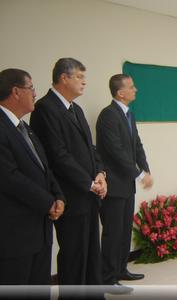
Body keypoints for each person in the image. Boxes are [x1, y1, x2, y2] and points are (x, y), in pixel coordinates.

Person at [30, 58, 107, 296]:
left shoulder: (76, 109)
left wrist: (101, 173)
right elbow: (57, 155)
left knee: (92, 254)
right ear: (64, 78)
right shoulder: (45, 109)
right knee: (74, 257)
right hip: (71, 197)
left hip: (90, 195)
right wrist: (88, 183)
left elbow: (90, 148)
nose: (84, 82)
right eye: (80, 77)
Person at [0, 69, 65, 290]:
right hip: (15, 234)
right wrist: (48, 202)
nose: (35, 93)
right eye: (31, 88)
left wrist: (58, 196)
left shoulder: (24, 127)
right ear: (16, 92)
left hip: (40, 230)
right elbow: (9, 177)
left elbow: (45, 167)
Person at [96, 74, 153, 287]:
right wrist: (138, 175)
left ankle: (121, 270)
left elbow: (136, 145)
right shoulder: (108, 115)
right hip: (113, 186)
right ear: (120, 92)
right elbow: (116, 152)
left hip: (127, 185)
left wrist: (145, 168)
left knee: (123, 231)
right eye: (131, 87)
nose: (135, 89)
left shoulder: (129, 114)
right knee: (112, 233)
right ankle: (108, 278)